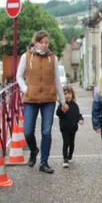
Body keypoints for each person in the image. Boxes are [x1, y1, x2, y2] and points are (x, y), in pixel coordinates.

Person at [17, 30, 69, 174]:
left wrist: (63, 101)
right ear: (35, 43)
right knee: (27, 131)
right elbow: (18, 76)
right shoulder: (26, 57)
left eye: (46, 42)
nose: (45, 45)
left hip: (48, 100)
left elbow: (57, 80)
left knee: (46, 132)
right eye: (42, 42)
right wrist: (26, 89)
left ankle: (44, 162)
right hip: (30, 100)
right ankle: (34, 150)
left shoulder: (53, 58)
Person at [56, 85, 84, 168]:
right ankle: (65, 159)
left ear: (72, 95)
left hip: (73, 128)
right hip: (64, 128)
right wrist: (62, 109)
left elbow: (78, 114)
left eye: (69, 93)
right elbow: (58, 113)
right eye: (65, 94)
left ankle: (70, 156)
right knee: (66, 142)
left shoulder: (75, 105)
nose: (67, 95)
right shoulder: (62, 105)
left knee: (72, 143)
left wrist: (80, 119)